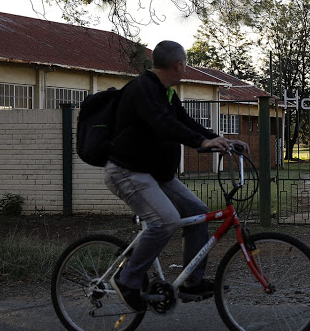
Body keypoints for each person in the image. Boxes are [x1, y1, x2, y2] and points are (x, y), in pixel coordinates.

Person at [104, 40, 249, 311]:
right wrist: (200, 142)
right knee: (165, 221)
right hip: (128, 172)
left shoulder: (167, 93)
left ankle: (191, 283)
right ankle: (128, 279)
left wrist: (218, 139)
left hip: (155, 175)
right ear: (177, 64)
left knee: (197, 212)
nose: (186, 68)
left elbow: (184, 122)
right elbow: (163, 124)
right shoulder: (144, 89)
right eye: (186, 63)